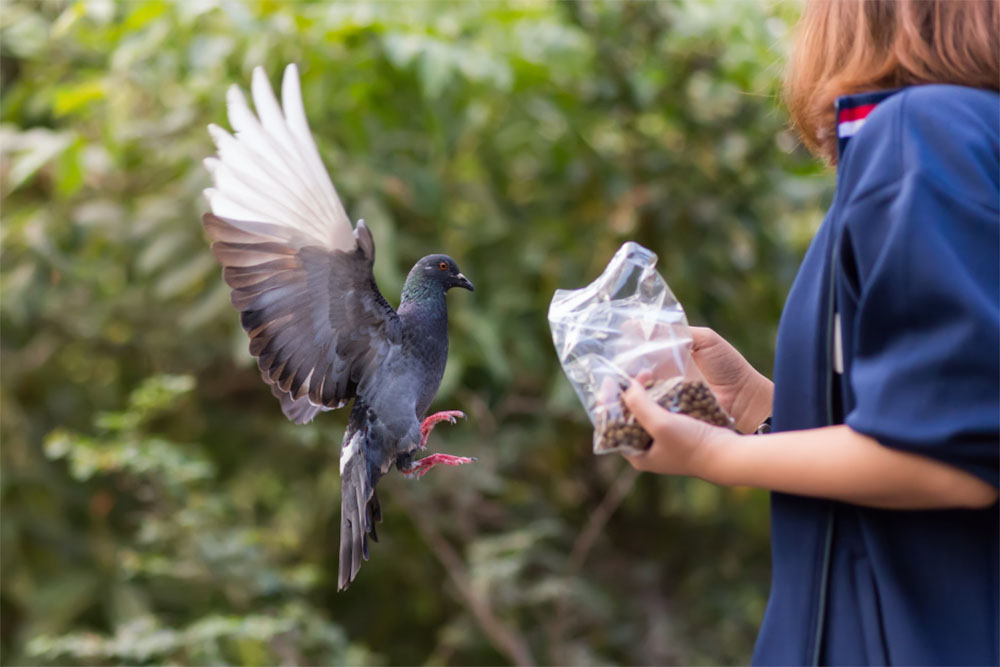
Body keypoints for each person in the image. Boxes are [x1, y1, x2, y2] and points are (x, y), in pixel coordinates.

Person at [620, 1, 999, 664]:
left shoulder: (921, 130)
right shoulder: (961, 137)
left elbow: (952, 457)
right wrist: (758, 405)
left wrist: (714, 456)